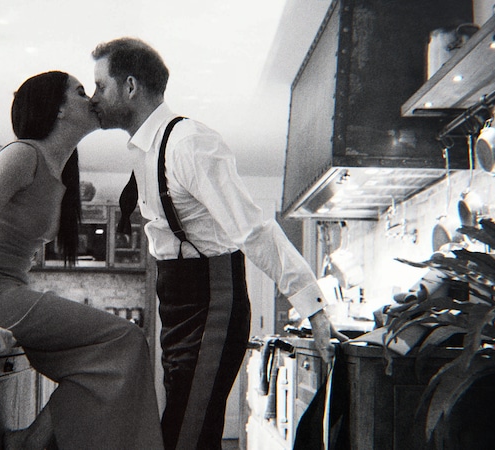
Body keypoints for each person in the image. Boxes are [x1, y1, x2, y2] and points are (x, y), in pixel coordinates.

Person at [90, 37, 346, 449]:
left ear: (130, 86)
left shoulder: (188, 142)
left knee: (187, 433)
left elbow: (254, 228)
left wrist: (313, 307)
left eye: (101, 86)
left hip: (212, 299)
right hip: (174, 301)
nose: (94, 97)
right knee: (184, 428)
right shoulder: (143, 148)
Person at [0, 71, 163, 450]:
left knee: (110, 360)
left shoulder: (59, 170)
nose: (92, 98)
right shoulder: (22, 154)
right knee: (126, 339)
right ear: (58, 109)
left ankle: (32, 440)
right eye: (81, 92)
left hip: (3, 290)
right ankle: (32, 441)